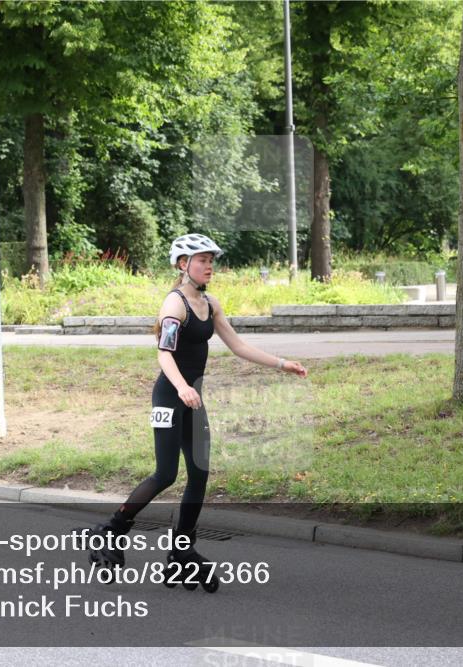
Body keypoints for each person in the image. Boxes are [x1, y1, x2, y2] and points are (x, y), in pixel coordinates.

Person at [87, 233, 308, 592]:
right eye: (202, 260)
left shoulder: (210, 304)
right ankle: (111, 531)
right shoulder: (174, 306)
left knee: (200, 473)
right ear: (182, 265)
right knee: (165, 474)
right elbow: (164, 354)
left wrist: (283, 364)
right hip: (170, 396)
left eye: (211, 260)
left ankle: (181, 552)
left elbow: (237, 345)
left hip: (193, 399)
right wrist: (182, 387)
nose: (209, 266)